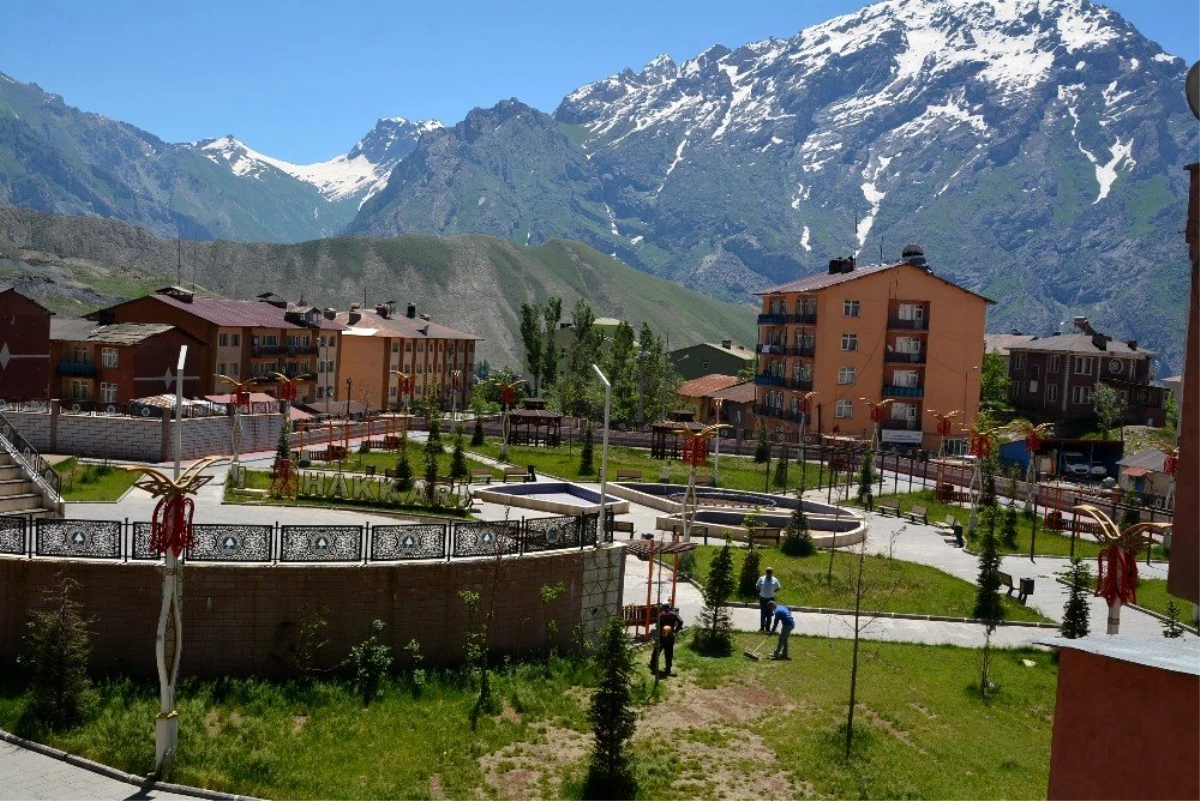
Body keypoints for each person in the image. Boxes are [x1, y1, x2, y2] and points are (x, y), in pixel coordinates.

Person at [649, 602, 683, 676]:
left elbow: (657, 625)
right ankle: (668, 669)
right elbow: (681, 621)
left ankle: (652, 665)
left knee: (656, 651)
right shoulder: (674, 614)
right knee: (669, 653)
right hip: (670, 636)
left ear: (662, 608)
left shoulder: (661, 615)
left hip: (661, 636)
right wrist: (675, 630)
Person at [755, 567, 781, 632]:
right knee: (763, 613)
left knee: (769, 614)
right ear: (766, 573)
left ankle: (767, 628)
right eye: (768, 573)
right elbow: (757, 586)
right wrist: (762, 591)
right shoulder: (761, 579)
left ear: (772, 573)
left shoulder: (775, 580)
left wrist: (772, 591)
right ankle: (761, 628)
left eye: (770, 573)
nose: (769, 574)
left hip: (770, 599)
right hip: (763, 598)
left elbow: (778, 587)